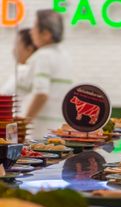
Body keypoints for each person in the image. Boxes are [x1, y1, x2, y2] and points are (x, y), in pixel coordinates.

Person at [19, 9, 73, 138]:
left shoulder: (43, 55)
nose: (31, 31)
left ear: (46, 34)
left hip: (41, 130)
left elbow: (41, 93)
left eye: (35, 26)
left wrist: (24, 124)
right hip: (59, 128)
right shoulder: (65, 56)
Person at [0, 28, 37, 95]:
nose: (13, 50)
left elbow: (4, 94)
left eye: (17, 45)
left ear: (29, 49)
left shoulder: (24, 74)